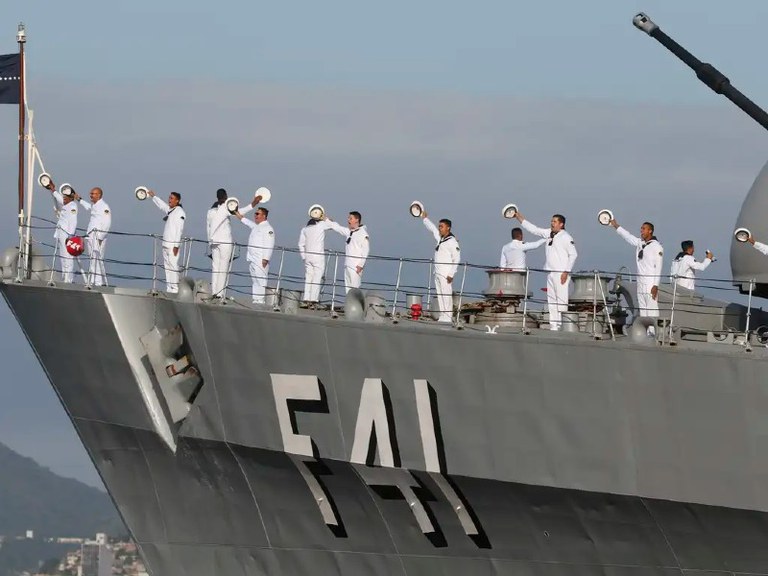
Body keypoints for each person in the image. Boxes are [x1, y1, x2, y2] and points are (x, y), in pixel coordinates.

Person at [514, 211, 577, 331]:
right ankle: (554, 325)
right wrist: (519, 218)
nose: (552, 223)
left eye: (555, 221)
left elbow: (573, 254)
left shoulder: (566, 237)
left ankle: (562, 325)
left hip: (560, 273)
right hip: (550, 272)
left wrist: (566, 271)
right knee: (551, 301)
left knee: (561, 300)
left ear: (561, 224)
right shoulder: (549, 233)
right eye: (551, 221)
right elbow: (534, 229)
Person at [609, 218, 663, 328]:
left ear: (650, 231)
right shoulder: (640, 243)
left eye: (644, 229)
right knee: (643, 310)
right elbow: (628, 237)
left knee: (651, 310)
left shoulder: (656, 246)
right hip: (640, 281)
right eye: (641, 228)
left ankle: (654, 333)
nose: (641, 230)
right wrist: (616, 226)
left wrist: (655, 285)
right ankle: (645, 332)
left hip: (650, 282)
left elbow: (659, 266)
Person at [420, 210, 460, 323]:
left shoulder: (452, 242)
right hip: (437, 272)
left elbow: (456, 258)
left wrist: (451, 274)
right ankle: (443, 315)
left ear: (448, 228)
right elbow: (432, 229)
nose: (439, 228)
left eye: (441, 226)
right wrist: (425, 219)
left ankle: (447, 317)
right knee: (440, 294)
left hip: (445, 273)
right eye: (439, 226)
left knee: (446, 295)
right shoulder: (440, 239)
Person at [146, 190, 186, 294]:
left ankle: (175, 289)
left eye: (172, 198)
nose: (169, 200)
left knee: (173, 266)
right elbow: (162, 206)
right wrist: (154, 197)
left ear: (177, 201)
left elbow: (179, 230)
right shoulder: (171, 210)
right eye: (169, 198)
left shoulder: (180, 212)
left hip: (173, 245)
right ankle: (169, 288)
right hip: (166, 243)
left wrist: (176, 245)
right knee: (167, 267)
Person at [234, 202, 274, 304]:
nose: (255, 215)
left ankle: (261, 300)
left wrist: (266, 258)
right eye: (255, 213)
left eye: (257, 214)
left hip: (261, 259)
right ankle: (256, 300)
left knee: (261, 280)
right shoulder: (257, 226)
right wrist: (236, 213)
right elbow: (246, 222)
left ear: (264, 216)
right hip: (253, 258)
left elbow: (269, 243)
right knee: (255, 281)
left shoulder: (267, 228)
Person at [74, 187, 111, 287]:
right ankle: (93, 281)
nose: (91, 195)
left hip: (98, 237)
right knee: (92, 259)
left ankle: (98, 283)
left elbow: (107, 223)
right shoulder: (95, 205)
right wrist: (79, 199)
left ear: (99, 195)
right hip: (91, 236)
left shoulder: (104, 206)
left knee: (97, 259)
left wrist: (100, 237)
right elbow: (89, 207)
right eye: (90, 193)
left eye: (93, 194)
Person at [43, 178, 78, 283]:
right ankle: (65, 277)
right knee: (63, 257)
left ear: (70, 198)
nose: (64, 199)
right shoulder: (66, 205)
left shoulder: (72, 206)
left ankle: (69, 279)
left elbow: (73, 222)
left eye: (66, 198)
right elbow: (59, 199)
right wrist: (53, 190)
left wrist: (70, 236)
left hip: (67, 235)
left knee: (68, 257)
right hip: (61, 234)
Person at [327, 211, 370, 293]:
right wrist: (328, 221)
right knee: (348, 289)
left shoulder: (363, 234)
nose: (348, 220)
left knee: (354, 289)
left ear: (357, 220)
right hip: (348, 265)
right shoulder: (350, 232)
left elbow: (366, 250)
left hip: (355, 266)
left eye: (350, 218)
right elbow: (338, 228)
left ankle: (355, 301)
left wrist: (361, 265)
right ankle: (349, 301)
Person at [298, 214, 334, 306]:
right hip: (318, 256)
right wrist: (324, 218)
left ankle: (306, 299)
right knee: (317, 278)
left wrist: (303, 256)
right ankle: (314, 300)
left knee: (308, 278)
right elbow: (331, 224)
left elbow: (300, 244)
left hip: (308, 257)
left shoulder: (305, 229)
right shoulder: (320, 225)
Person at [206, 188, 234, 298]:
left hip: (214, 242)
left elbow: (208, 228)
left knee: (215, 268)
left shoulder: (210, 212)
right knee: (223, 268)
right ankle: (220, 293)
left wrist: (210, 242)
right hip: (225, 242)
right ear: (225, 196)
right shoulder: (225, 209)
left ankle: (214, 292)